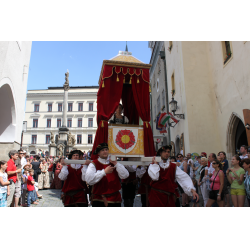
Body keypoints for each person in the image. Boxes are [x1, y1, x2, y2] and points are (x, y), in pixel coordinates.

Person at [85, 143, 129, 207]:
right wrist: (104, 172)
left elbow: (125, 175)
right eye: (102, 150)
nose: (105, 151)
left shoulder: (114, 163)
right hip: (99, 199)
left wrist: (116, 163)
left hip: (115, 198)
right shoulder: (93, 164)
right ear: (98, 153)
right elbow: (89, 180)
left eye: (106, 149)